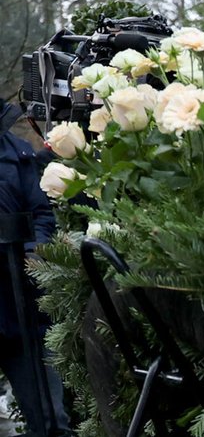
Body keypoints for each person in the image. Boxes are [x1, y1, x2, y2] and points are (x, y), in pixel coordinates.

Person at [0, 99, 72, 436]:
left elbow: (41, 212)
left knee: (50, 422)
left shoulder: (17, 153)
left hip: (22, 309)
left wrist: (34, 249)